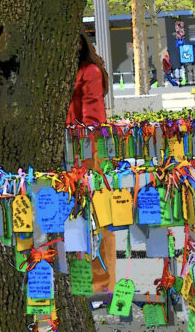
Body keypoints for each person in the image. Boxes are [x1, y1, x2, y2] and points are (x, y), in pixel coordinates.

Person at [66, 33, 115, 293]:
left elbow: (92, 121)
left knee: (98, 216)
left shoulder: (90, 71)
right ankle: (79, 281)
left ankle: (101, 283)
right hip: (70, 152)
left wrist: (86, 164)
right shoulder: (71, 71)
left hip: (88, 153)